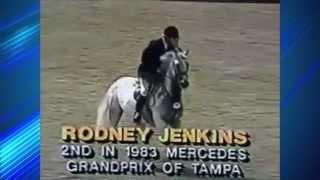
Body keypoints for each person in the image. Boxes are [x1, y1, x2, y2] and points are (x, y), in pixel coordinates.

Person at [133, 26, 180, 123]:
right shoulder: (154, 46)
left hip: (160, 74)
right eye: (174, 40)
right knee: (144, 91)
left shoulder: (171, 46)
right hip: (147, 72)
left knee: (173, 83)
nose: (176, 42)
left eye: (176, 39)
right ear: (168, 38)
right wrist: (156, 68)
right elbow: (144, 58)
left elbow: (177, 54)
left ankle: (176, 104)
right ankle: (137, 112)